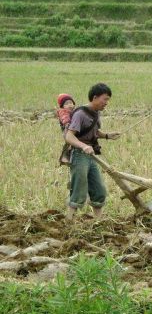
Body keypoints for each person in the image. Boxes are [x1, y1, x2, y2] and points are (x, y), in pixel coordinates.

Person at [65, 83, 121, 220]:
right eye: (105, 99)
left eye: (108, 100)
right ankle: (69, 221)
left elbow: (94, 131)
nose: (107, 103)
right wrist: (83, 146)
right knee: (79, 188)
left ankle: (98, 220)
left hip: (91, 156)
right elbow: (69, 136)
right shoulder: (80, 114)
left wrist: (107, 135)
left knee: (99, 189)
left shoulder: (95, 113)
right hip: (79, 155)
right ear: (95, 97)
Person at [56, 93, 76, 165]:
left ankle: (67, 158)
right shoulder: (63, 111)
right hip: (67, 129)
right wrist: (67, 123)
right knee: (69, 144)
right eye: (66, 104)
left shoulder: (74, 112)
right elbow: (65, 118)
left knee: (72, 145)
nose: (69, 105)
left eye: (71, 103)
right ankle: (64, 158)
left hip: (72, 129)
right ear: (63, 106)